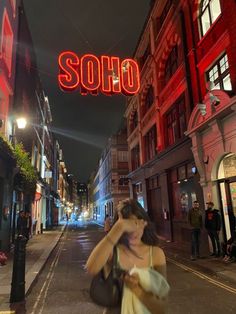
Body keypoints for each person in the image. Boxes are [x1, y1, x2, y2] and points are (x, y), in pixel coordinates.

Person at [86, 198, 169, 314]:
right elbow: (91, 268)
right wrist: (117, 229)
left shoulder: (156, 254)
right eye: (126, 226)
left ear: (144, 223)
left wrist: (136, 289)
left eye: (135, 223)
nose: (132, 231)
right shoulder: (113, 251)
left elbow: (161, 307)